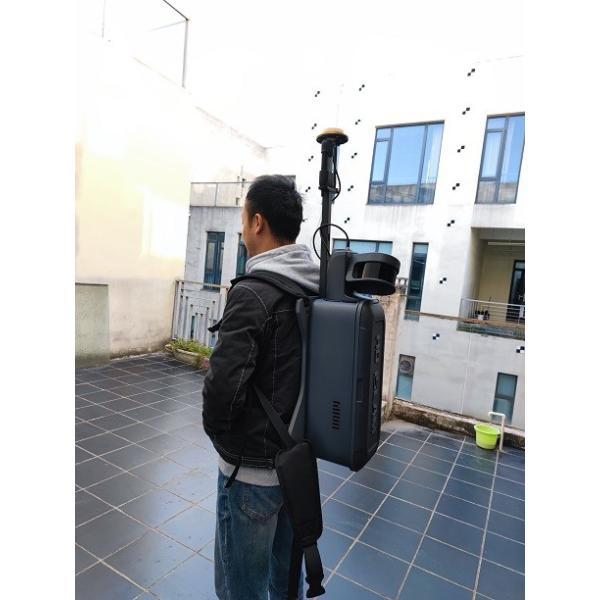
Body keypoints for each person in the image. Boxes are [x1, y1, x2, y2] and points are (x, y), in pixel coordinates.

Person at [202, 175, 319, 600]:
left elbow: (223, 391)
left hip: (250, 473)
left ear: (257, 222)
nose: (242, 230)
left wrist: (223, 439)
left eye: (242, 220)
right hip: (296, 465)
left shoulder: (253, 294)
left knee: (241, 589)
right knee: (284, 583)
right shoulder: (315, 289)